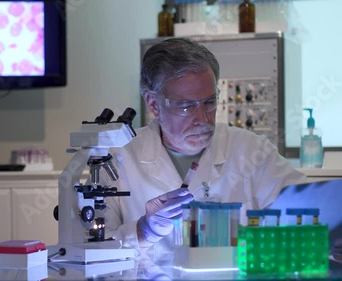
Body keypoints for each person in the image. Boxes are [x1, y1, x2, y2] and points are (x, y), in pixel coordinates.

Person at [101, 37, 306, 256]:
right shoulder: (116, 160)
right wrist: (143, 231)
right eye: (186, 107)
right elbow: (87, 251)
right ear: (153, 104)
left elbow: (311, 212)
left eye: (209, 102)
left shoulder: (251, 150)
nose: (202, 118)